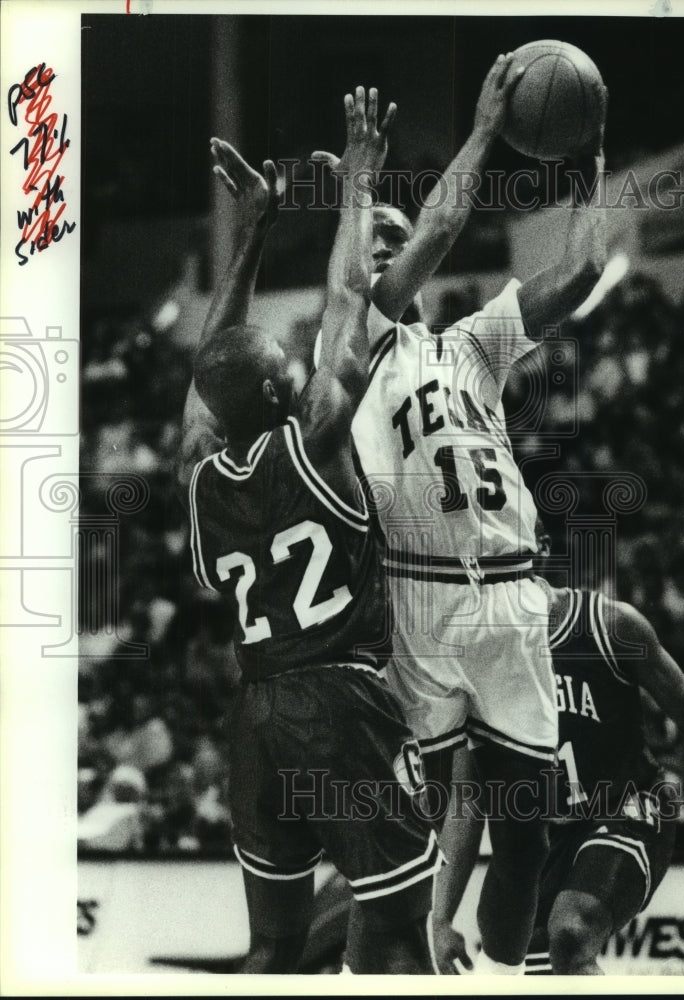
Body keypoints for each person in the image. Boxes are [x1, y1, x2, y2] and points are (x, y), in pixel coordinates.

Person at [312, 51, 608, 972]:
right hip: (423, 605)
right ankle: (374, 956)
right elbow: (428, 235)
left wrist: (590, 164)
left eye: (399, 235)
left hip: (513, 595)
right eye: (378, 235)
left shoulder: (470, 347)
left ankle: (506, 973)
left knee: (523, 836)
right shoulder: (349, 349)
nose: (394, 246)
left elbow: (581, 269)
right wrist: (481, 132)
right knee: (433, 826)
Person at [177, 88, 442, 974]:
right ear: (277, 393)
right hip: (340, 704)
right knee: (401, 934)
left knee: (273, 949)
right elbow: (348, 301)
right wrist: (360, 175)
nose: (298, 368)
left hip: (255, 716)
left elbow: (204, 387)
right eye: (284, 367)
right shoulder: (318, 437)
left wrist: (252, 229)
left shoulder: (201, 479)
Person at [432, 526, 684, 975]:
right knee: (537, 969)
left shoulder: (610, 626)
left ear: (540, 551)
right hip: (543, 841)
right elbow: (468, 797)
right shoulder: (473, 662)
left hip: (631, 806)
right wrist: (440, 917)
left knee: (571, 931)